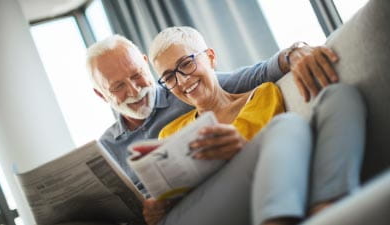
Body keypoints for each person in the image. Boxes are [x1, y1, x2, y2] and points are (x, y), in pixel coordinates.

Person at [85, 31, 340, 223]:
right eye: (117, 87)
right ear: (101, 95)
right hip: (168, 215)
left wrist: (295, 52)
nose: (134, 90)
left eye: (137, 75)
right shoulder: (106, 147)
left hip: (221, 195)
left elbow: (259, 74)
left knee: (334, 102)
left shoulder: (189, 89)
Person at [141, 26, 366, 225]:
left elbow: (276, 159)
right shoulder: (169, 133)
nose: (181, 81)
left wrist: (241, 149)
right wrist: (158, 208)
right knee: (286, 125)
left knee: (341, 96)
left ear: (210, 57)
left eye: (186, 64)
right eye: (169, 78)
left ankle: (326, 212)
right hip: (198, 211)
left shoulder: (262, 95)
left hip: (259, 194)